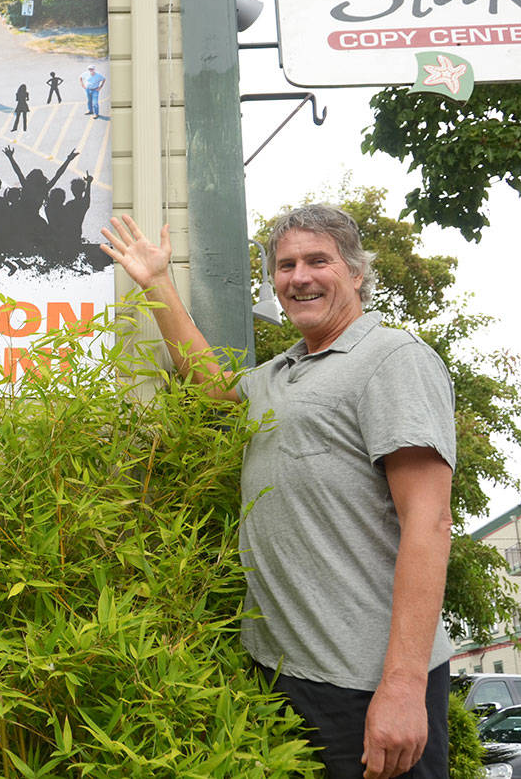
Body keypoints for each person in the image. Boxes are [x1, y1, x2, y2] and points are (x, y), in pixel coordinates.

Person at [100, 204, 455, 779]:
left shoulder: (392, 359)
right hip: (281, 676)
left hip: (365, 683)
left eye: (318, 261)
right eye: (285, 266)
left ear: (356, 272)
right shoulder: (281, 373)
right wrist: (158, 282)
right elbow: (211, 385)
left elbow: (429, 521)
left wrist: (404, 686)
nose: (299, 277)